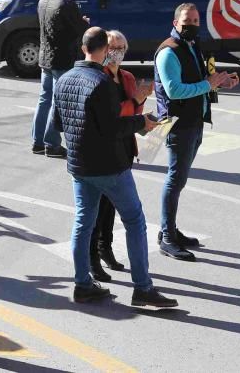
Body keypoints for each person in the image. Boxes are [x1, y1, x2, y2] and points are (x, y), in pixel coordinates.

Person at [52, 27, 177, 308]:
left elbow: (57, 125)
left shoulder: (64, 80)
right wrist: (141, 122)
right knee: (134, 220)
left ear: (83, 47)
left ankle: (83, 284)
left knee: (83, 223)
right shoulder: (101, 82)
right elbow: (111, 128)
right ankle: (142, 288)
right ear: (105, 50)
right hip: (108, 165)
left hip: (79, 165)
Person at [155, 4, 239, 261]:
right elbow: (174, 91)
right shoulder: (169, 52)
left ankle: (169, 230)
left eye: (195, 20)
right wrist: (207, 84)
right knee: (175, 180)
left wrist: (220, 84)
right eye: (186, 20)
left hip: (195, 121)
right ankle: (167, 237)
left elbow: (200, 81)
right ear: (175, 21)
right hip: (179, 125)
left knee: (179, 180)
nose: (191, 24)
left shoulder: (191, 46)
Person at [89, 30, 153, 281]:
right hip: (103, 150)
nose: (117, 52)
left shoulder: (126, 76)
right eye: (113, 47)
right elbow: (111, 115)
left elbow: (133, 112)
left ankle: (106, 247)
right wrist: (136, 99)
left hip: (124, 147)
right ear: (103, 49)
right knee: (96, 208)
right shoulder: (98, 76)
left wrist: (141, 106)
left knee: (111, 206)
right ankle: (93, 255)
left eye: (122, 47)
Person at [32, 0, 89, 159]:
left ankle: (38, 142)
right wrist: (84, 22)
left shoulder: (44, 0)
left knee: (44, 99)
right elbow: (78, 30)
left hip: (45, 57)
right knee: (57, 101)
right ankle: (52, 144)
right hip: (62, 58)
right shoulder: (67, 4)